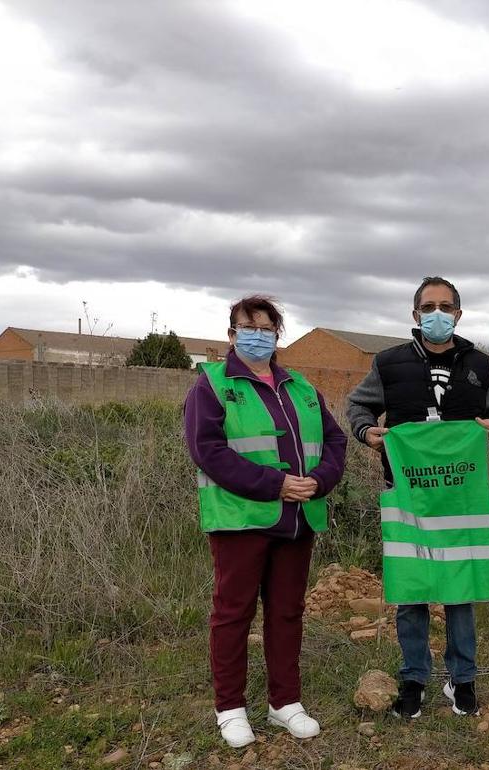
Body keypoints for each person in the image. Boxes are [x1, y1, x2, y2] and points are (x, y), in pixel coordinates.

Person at [346, 276, 489, 719]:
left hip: (462, 501)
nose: (436, 313)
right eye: (428, 306)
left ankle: (463, 681)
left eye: (445, 306)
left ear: (458, 314)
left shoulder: (480, 363)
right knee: (412, 591)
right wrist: (368, 432)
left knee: (461, 592)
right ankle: (413, 679)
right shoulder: (388, 363)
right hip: (407, 497)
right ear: (415, 313)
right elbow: (358, 408)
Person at [184, 295, 347, 748]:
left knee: (287, 611)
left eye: (266, 327)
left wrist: (319, 481)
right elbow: (208, 451)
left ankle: (284, 702)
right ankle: (230, 708)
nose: (257, 334)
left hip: (298, 519)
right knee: (233, 613)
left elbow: (335, 440)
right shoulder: (211, 385)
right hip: (241, 520)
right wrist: (274, 484)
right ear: (232, 333)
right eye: (247, 326)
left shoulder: (301, 388)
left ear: (278, 334)